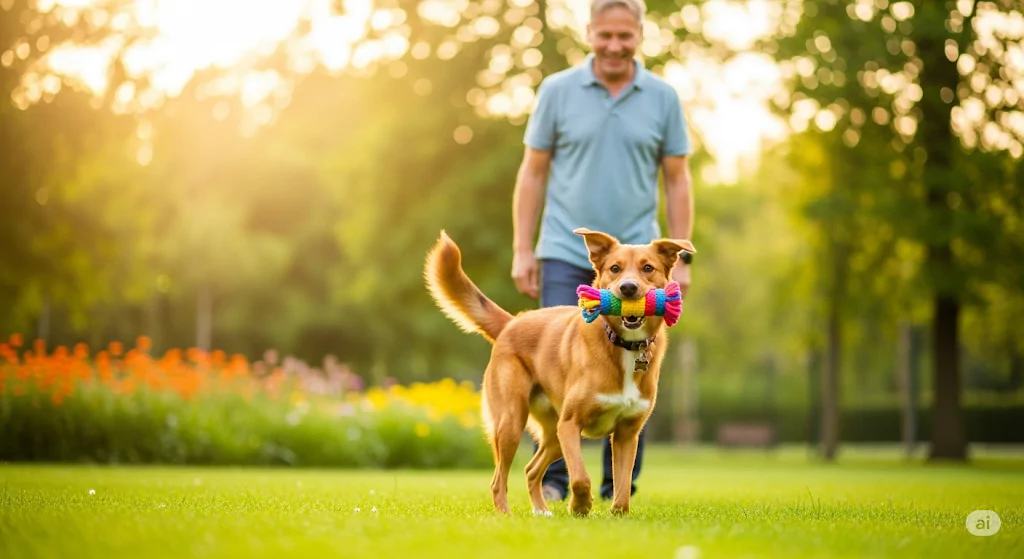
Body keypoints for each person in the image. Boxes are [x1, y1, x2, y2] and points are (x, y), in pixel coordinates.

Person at [509, 0, 695, 503]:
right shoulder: (557, 91)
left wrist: (683, 261)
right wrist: (523, 248)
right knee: (559, 375)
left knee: (638, 370)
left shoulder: (662, 97)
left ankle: (620, 490)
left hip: (644, 258)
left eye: (625, 36)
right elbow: (533, 171)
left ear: (639, 35)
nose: (614, 45)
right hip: (567, 252)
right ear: (589, 32)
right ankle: (553, 481)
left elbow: (677, 178)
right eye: (605, 35)